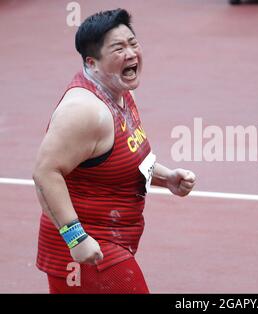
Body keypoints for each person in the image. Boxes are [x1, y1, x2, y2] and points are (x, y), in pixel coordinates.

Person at [33, 9, 196, 294]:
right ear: (92, 63)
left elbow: (122, 158)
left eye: (133, 43)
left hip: (110, 241)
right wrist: (76, 238)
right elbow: (45, 173)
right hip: (87, 250)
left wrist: (166, 177)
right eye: (119, 48)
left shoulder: (120, 93)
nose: (131, 53)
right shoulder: (84, 111)